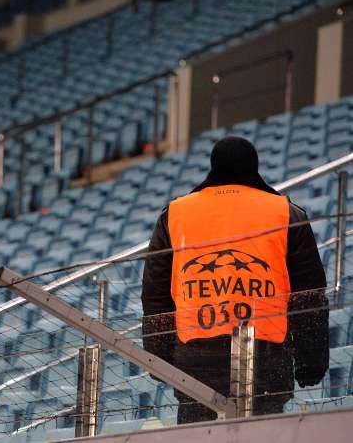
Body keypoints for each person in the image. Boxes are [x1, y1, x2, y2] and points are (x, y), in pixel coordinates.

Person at [140, 136, 329, 424]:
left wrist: (160, 359)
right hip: (267, 356)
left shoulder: (175, 214)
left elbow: (155, 295)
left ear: (213, 167)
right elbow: (309, 293)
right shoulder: (286, 213)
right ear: (254, 167)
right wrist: (311, 362)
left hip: (195, 359)